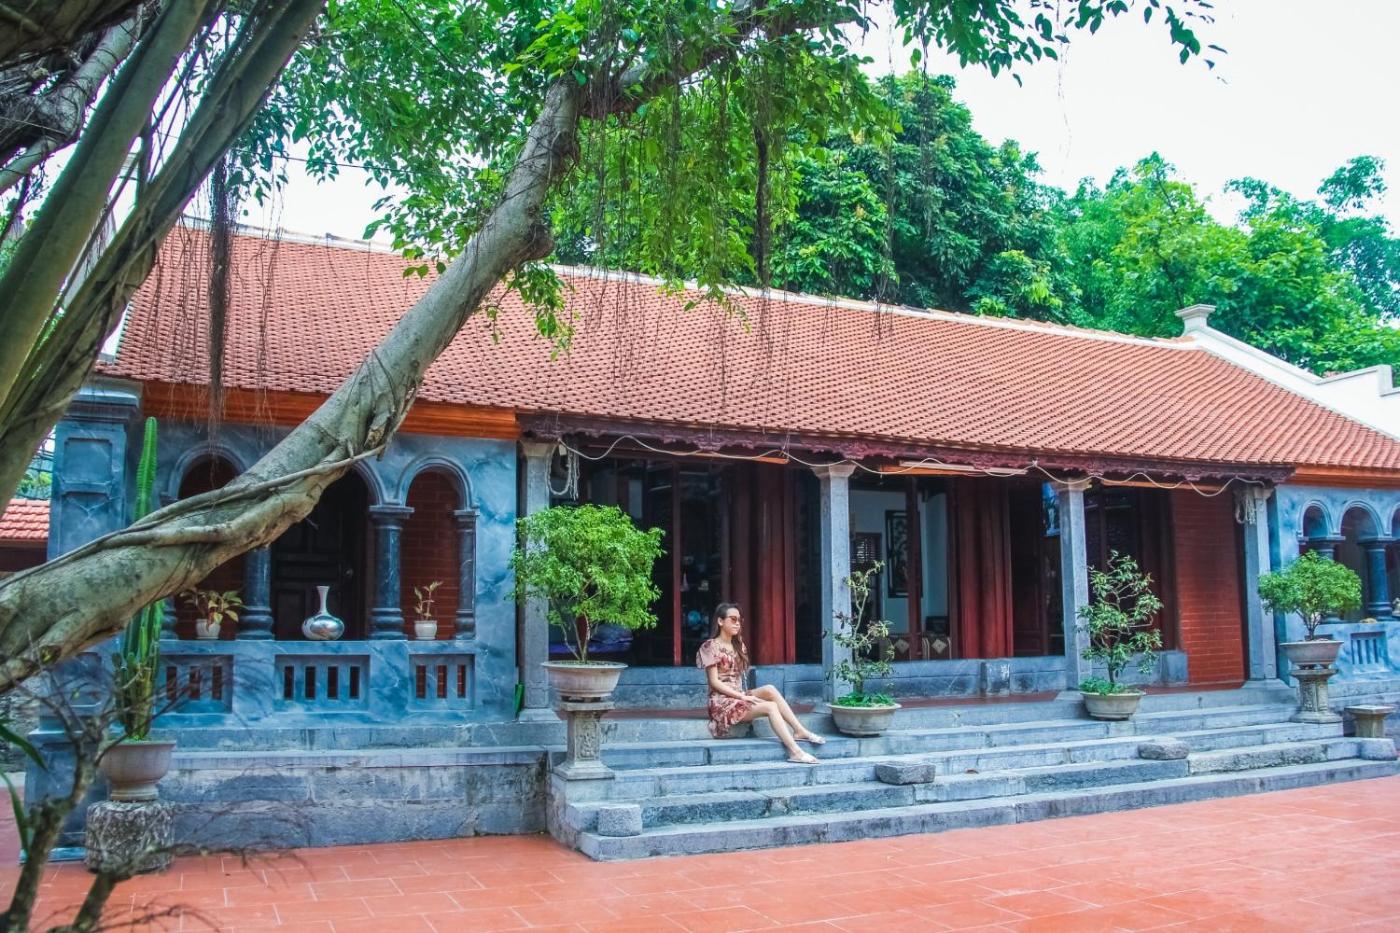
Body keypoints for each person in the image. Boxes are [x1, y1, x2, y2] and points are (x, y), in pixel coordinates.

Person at [696, 602, 827, 764]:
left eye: (739, 620)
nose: (737, 623)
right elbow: (714, 682)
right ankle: (795, 752)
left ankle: (799, 730)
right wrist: (742, 697)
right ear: (720, 621)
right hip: (721, 702)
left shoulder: (738, 645)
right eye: (733, 619)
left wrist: (743, 696)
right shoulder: (710, 646)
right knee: (770, 707)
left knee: (770, 689)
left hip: (738, 696)